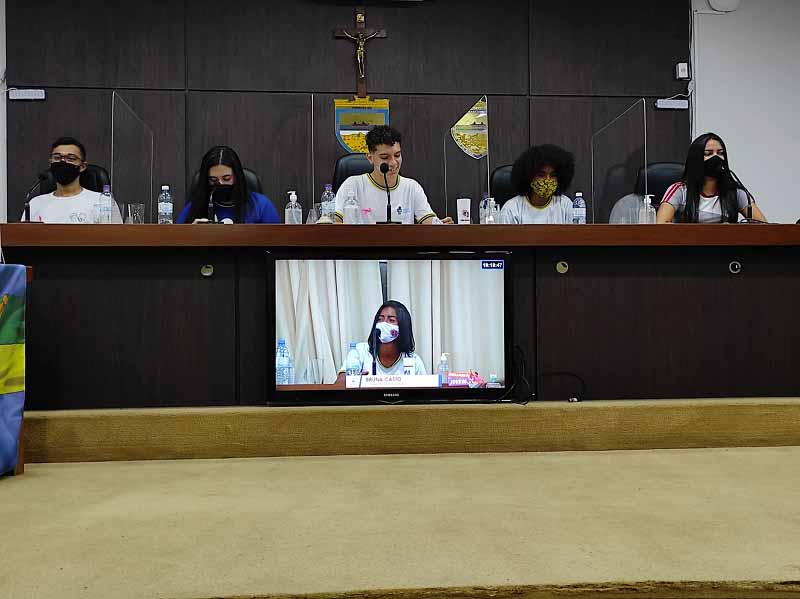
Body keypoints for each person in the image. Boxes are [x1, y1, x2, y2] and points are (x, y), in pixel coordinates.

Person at [334, 125, 452, 224]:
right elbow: (336, 222)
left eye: (397, 155)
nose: (393, 163)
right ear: (370, 158)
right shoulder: (352, 185)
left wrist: (440, 225)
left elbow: (428, 220)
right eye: (385, 157)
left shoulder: (412, 187)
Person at [657, 133, 767, 224]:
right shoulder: (680, 191)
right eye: (708, 153)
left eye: (720, 153)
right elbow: (661, 224)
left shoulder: (735, 192)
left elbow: (763, 227)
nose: (716, 157)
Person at [23, 136, 122, 224]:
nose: (63, 161)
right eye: (57, 157)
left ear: (82, 166)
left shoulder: (103, 202)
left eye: (70, 158)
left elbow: (117, 236)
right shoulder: (35, 204)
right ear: (50, 163)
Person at [177, 146, 280, 224]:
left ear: (237, 176)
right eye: (213, 180)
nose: (221, 184)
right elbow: (177, 241)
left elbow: (277, 241)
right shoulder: (194, 207)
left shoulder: (261, 205)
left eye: (226, 178)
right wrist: (193, 233)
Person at [335, 300, 426, 383]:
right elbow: (339, 383)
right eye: (380, 319)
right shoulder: (360, 351)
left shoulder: (413, 360)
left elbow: (425, 391)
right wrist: (355, 380)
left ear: (403, 326)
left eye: (391, 320)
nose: (383, 323)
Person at [499, 144, 576, 224]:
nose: (547, 180)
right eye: (541, 175)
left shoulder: (565, 205)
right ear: (529, 176)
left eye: (553, 175)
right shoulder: (511, 208)